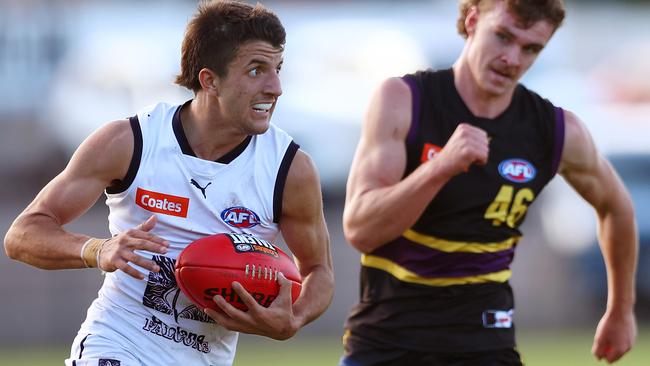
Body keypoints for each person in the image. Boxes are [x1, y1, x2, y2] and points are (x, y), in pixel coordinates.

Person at [3, 1, 334, 365]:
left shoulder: (290, 168)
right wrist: (97, 249)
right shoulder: (129, 142)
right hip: (116, 344)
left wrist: (294, 319)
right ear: (210, 80)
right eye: (256, 70)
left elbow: (318, 271)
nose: (276, 87)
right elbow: (22, 235)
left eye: (278, 69)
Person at [340, 0, 637, 365]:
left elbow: (618, 208)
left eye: (531, 49)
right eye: (503, 37)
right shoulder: (404, 100)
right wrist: (441, 167)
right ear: (473, 19)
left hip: (486, 344)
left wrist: (621, 311)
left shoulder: (555, 131)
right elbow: (361, 229)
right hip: (386, 341)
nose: (513, 59)